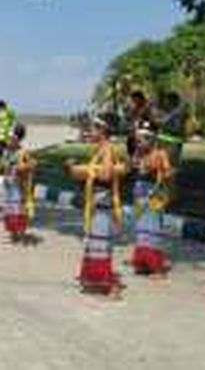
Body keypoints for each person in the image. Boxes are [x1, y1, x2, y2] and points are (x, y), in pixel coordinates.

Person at [66, 116, 127, 298]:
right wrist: (74, 169)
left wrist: (85, 171)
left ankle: (110, 288)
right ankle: (97, 280)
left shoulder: (107, 149)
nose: (90, 132)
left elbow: (107, 175)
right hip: (96, 204)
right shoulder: (100, 149)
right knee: (95, 244)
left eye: (93, 129)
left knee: (101, 245)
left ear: (102, 131)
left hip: (102, 205)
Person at [130, 122, 173, 278]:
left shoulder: (160, 154)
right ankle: (142, 263)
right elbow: (131, 167)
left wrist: (159, 171)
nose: (139, 142)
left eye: (143, 139)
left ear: (152, 140)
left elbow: (168, 172)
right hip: (140, 195)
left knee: (152, 228)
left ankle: (156, 267)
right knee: (141, 229)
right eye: (138, 139)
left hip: (153, 195)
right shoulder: (138, 154)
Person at [1, 124, 37, 244]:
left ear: (17, 139)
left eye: (11, 139)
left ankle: (21, 234)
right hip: (8, 185)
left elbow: (33, 164)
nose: (8, 141)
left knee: (19, 210)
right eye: (8, 139)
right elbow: (4, 166)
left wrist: (22, 167)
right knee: (9, 210)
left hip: (18, 186)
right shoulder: (7, 152)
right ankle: (13, 234)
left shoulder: (23, 152)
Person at [125, 90, 154, 159]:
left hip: (144, 135)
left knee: (143, 154)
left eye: (135, 99)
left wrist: (142, 124)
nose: (134, 102)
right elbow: (131, 119)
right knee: (133, 153)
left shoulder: (148, 107)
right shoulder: (135, 108)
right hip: (134, 136)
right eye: (133, 100)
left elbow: (151, 122)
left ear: (140, 98)